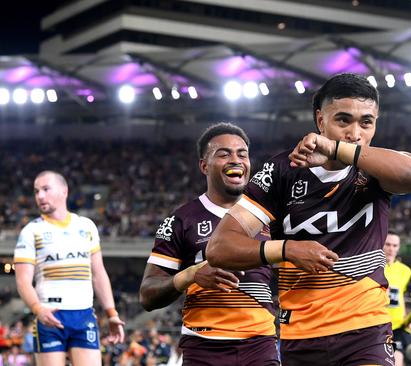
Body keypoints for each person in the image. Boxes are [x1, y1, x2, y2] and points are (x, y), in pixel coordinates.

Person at [206, 73, 411, 366]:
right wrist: (287, 250)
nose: (355, 133)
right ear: (320, 119)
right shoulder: (281, 171)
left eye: (366, 122)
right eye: (343, 120)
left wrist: (335, 149)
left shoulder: (377, 166)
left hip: (365, 331)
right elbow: (219, 248)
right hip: (299, 335)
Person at [139, 123, 279, 365]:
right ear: (204, 165)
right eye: (224, 154)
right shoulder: (180, 220)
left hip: (260, 345)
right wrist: (191, 275)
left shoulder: (270, 215)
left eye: (242, 154)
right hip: (203, 348)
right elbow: (147, 295)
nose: (235, 160)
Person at [14, 170, 125, 366]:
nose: (40, 196)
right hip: (49, 316)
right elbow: (22, 280)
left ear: (64, 191)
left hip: (83, 315)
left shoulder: (86, 226)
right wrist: (37, 308)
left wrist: (112, 313)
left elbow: (98, 273)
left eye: (46, 189)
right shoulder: (31, 231)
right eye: (36, 191)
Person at [384, 231, 411, 366]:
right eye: (388, 244)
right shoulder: (372, 267)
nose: (391, 249)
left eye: (395, 245)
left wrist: (406, 317)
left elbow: (401, 295)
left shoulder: (406, 271)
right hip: (376, 324)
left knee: (398, 361)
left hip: (397, 327)